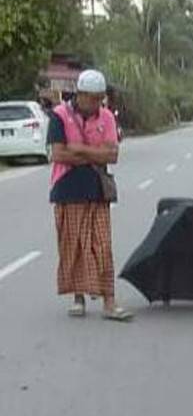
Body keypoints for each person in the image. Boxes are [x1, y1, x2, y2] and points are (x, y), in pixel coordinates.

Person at [47, 69, 132, 321]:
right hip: (67, 188)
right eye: (92, 98)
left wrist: (79, 150)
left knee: (103, 246)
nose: (97, 103)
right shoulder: (59, 115)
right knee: (73, 245)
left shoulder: (106, 117)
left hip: (97, 188)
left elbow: (112, 155)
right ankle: (78, 297)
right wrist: (94, 152)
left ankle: (110, 302)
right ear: (80, 95)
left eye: (100, 98)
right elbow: (59, 154)